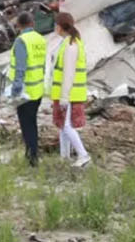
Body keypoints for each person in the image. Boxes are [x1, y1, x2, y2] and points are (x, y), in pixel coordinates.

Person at [45, 12, 90, 168]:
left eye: (55, 24)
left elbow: (69, 73)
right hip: (65, 93)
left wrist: (64, 97)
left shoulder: (71, 46)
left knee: (67, 126)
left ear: (60, 26)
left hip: (69, 94)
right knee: (62, 126)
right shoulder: (68, 42)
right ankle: (64, 157)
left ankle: (83, 155)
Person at [6, 11, 47, 166]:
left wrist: (15, 92)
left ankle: (32, 159)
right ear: (33, 24)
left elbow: (20, 69)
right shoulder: (40, 39)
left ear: (18, 26)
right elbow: (42, 65)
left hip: (25, 92)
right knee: (32, 123)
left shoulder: (21, 41)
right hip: (37, 89)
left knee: (27, 125)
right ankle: (32, 154)